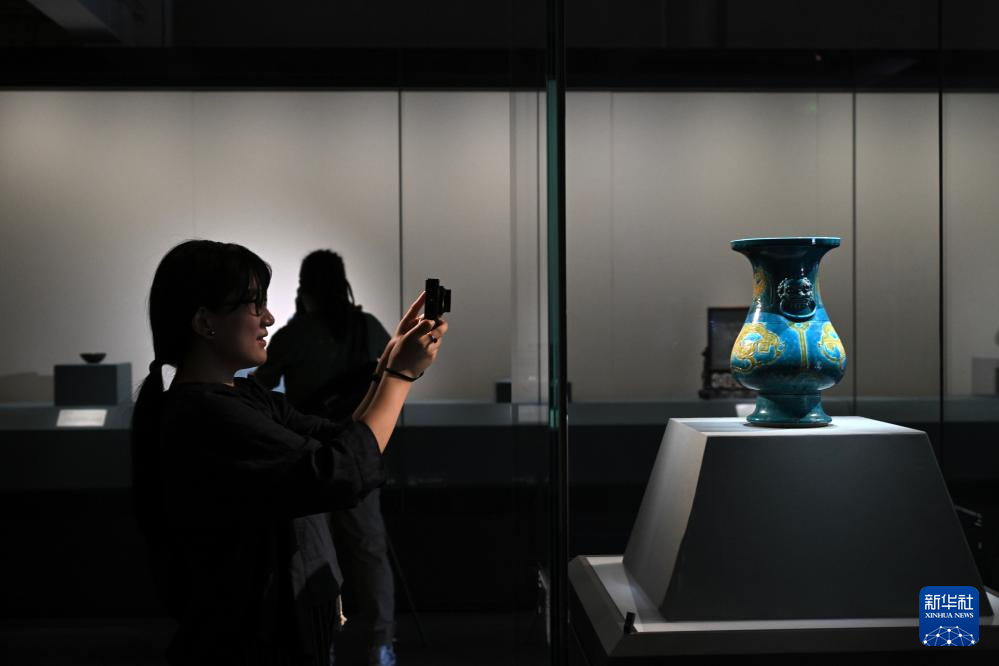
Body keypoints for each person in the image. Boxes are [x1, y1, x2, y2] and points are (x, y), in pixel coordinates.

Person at [131, 240, 446, 666]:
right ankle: (380, 646)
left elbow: (340, 440)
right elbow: (339, 469)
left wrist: (389, 364)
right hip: (249, 643)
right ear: (205, 322)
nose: (268, 317)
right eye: (254, 304)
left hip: (267, 631)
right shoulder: (205, 415)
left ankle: (379, 644)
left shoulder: (244, 396)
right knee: (369, 551)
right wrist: (398, 375)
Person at [254, 251, 398, 666]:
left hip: (310, 457)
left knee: (316, 553)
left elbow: (261, 385)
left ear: (306, 287)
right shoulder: (366, 327)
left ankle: (322, 643)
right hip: (359, 449)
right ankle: (380, 644)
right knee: (369, 549)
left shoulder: (294, 335)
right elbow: (390, 375)